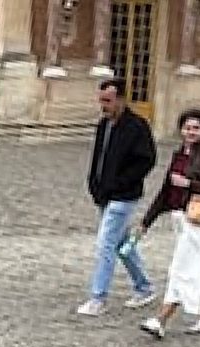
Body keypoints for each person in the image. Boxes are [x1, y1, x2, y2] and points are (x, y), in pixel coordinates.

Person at [135, 109, 200, 339]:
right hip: (178, 218)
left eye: (196, 128)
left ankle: (161, 319)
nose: (191, 132)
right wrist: (147, 221)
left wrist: (189, 183)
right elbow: (166, 191)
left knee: (182, 269)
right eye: (187, 127)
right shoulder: (179, 155)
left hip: (196, 218)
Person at [78, 78, 157, 317]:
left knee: (105, 244)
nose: (103, 105)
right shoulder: (103, 125)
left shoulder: (137, 126)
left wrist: (120, 183)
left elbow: (147, 160)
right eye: (101, 100)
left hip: (124, 196)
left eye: (108, 101)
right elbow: (98, 158)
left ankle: (98, 297)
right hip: (104, 194)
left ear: (121, 99)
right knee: (121, 243)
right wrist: (94, 183)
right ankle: (144, 286)